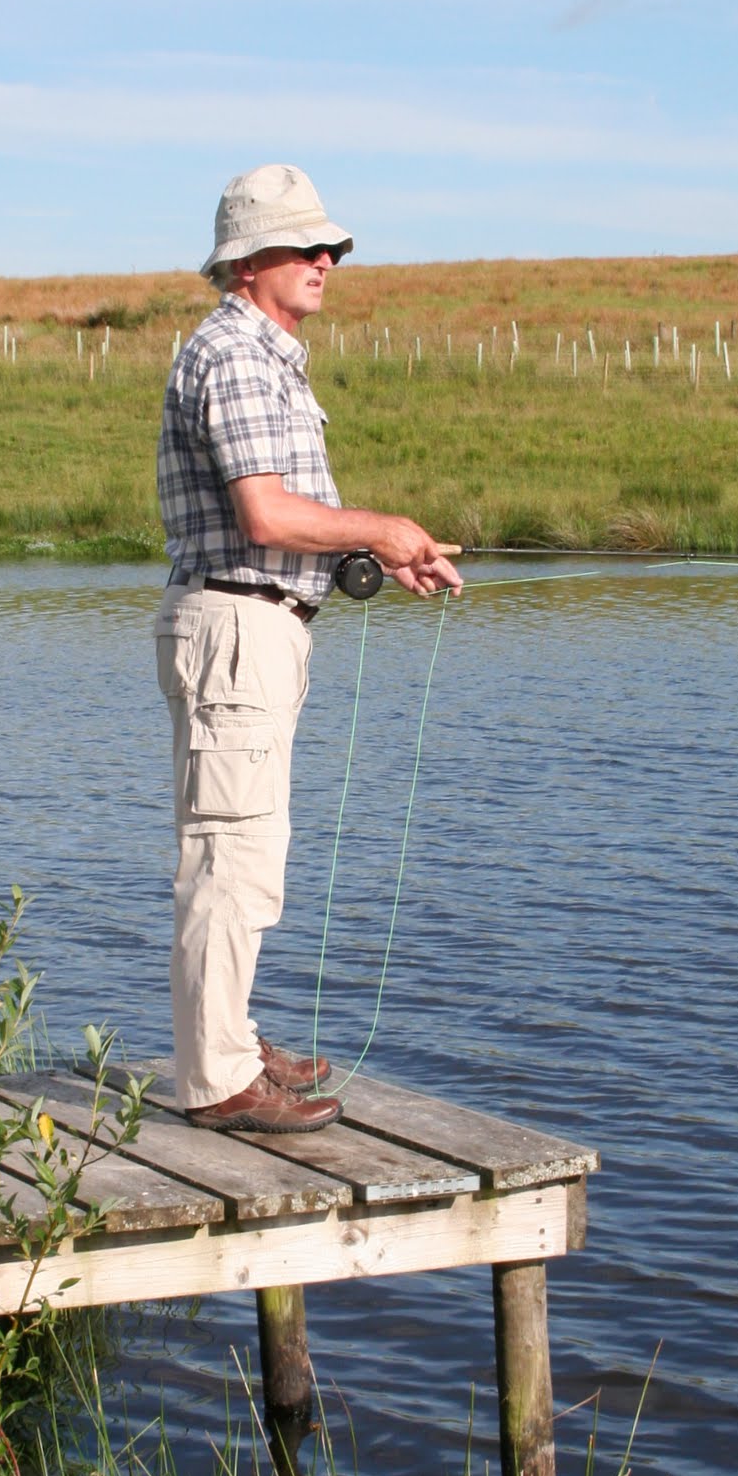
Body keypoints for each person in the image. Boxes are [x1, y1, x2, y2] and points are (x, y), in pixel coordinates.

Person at [155, 164, 462, 1133]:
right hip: (237, 629)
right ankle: (215, 1081)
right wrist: (380, 526)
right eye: (305, 246)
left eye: (333, 247)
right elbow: (265, 510)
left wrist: (375, 552)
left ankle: (231, 1045)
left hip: (257, 627)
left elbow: (290, 526)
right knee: (229, 857)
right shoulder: (238, 357)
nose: (327, 261)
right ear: (247, 263)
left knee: (249, 852)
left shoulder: (267, 353)